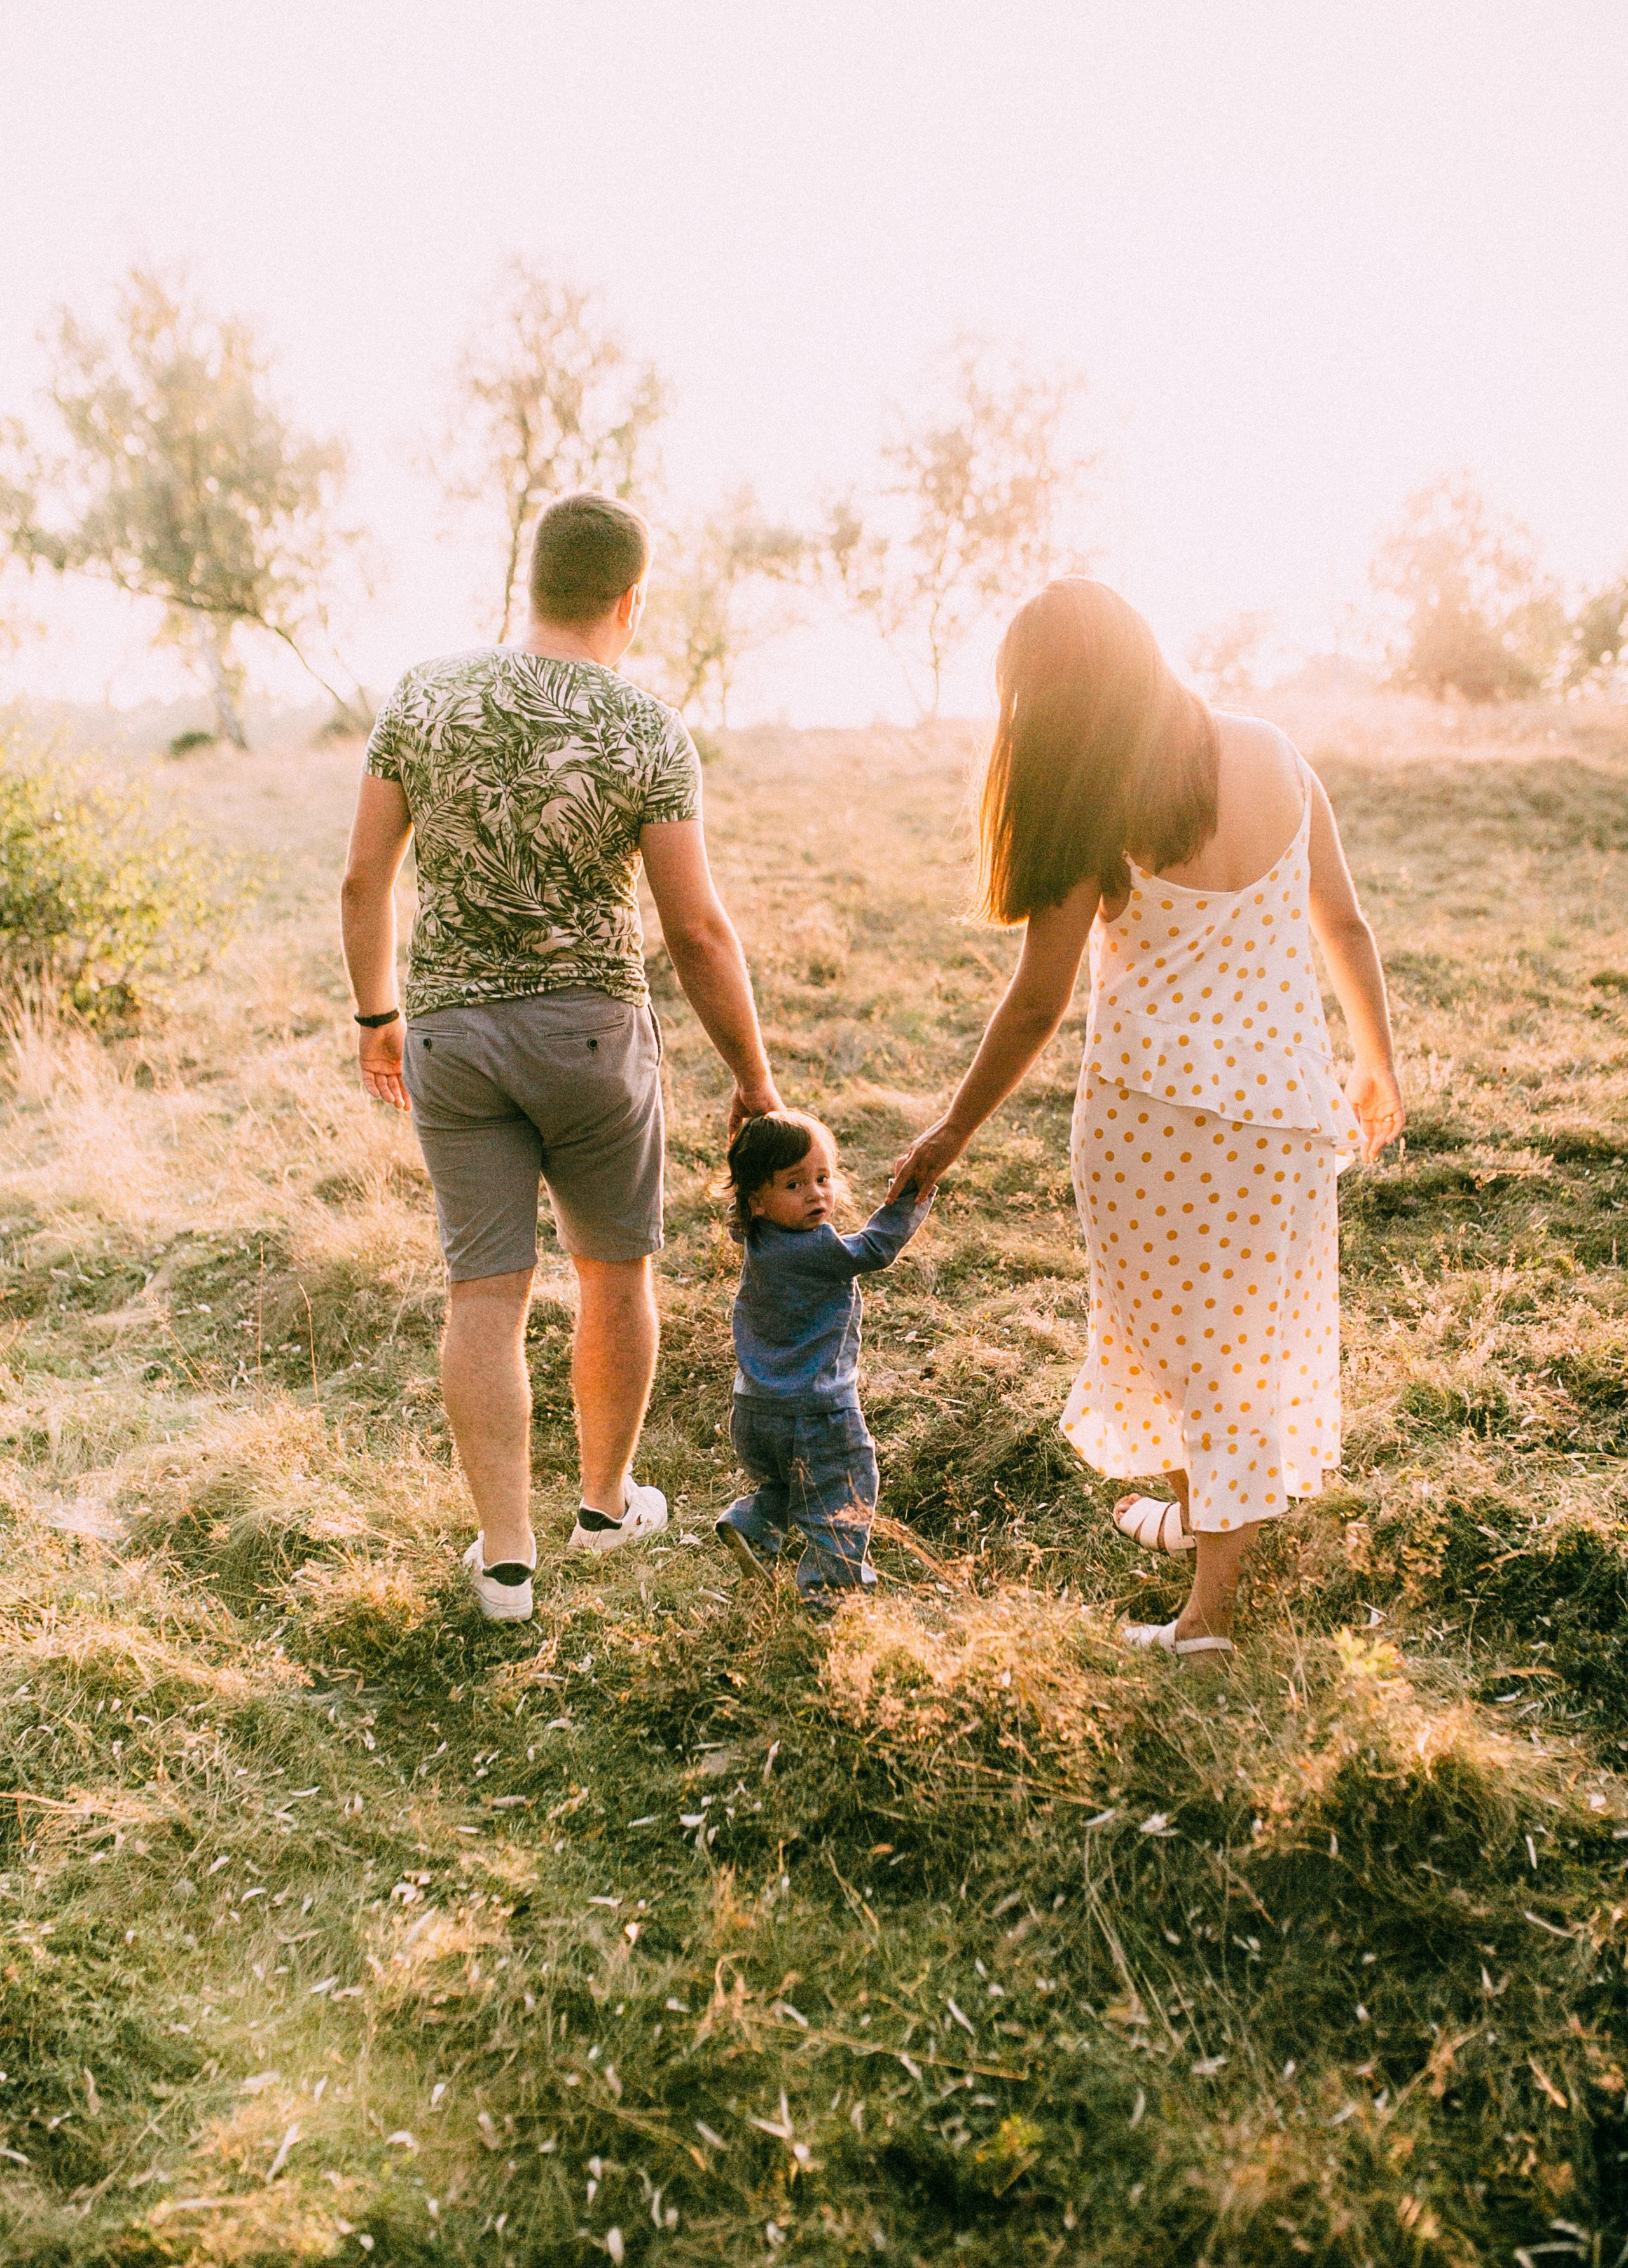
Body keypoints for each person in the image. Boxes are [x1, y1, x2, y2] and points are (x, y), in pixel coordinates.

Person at [890, 577, 1403, 1664]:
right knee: (1250, 1346)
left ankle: (1207, 1620)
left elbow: (1037, 1004)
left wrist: (949, 1134)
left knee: (1179, 1350)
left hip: (1147, 1124)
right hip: (1280, 1118)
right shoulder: (1275, 753)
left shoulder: (1089, 801)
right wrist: (1375, 1062)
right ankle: (1206, 1530)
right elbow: (1344, 922)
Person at [340, 491, 778, 1623]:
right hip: (591, 1034)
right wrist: (755, 1077)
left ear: (531, 582)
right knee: (613, 1270)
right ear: (630, 600)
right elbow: (695, 931)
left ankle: (503, 1560)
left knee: (483, 1290)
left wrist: (375, 1016)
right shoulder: (646, 731)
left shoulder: (423, 696)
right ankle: (607, 1502)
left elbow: (362, 881)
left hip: (449, 1031)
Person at [715, 1111, 933, 1612]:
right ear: (758, 1201)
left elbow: (752, 1174)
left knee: (788, 1482)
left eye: (823, 1178)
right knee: (843, 1494)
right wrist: (909, 1197)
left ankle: (753, 1524)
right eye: (795, 1184)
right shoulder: (813, 1248)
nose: (816, 1194)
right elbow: (875, 1249)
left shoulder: (757, 1237)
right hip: (817, 1413)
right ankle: (833, 1597)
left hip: (753, 1413)